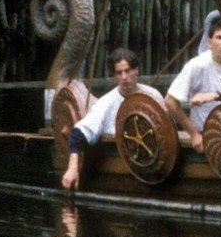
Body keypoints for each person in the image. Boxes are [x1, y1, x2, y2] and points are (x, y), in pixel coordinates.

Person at [61, 48, 162, 189]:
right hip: (125, 166)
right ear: (115, 76)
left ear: (136, 71)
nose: (124, 77)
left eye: (127, 71)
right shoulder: (105, 103)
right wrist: (72, 168)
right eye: (119, 73)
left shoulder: (154, 96)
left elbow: (167, 132)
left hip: (157, 164)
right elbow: (78, 133)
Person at [166, 16, 221, 153]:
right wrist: (194, 134)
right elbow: (170, 101)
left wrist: (212, 96)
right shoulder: (196, 65)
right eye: (219, 37)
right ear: (209, 42)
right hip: (206, 134)